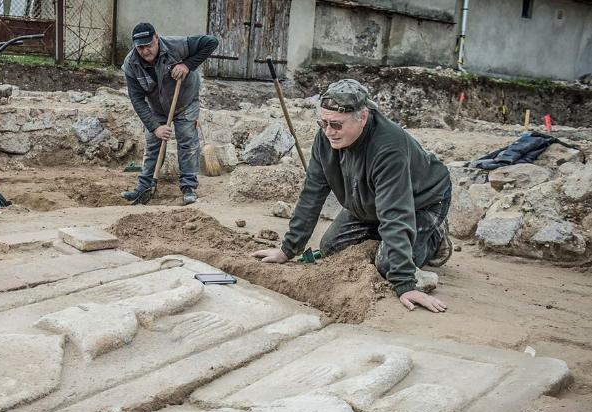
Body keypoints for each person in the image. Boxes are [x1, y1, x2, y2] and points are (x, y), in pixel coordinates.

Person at [251, 79, 453, 313]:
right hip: (370, 201)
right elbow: (312, 192)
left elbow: (395, 213)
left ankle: (435, 238)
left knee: (387, 264)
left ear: (363, 117)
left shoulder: (389, 147)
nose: (328, 132)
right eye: (323, 123)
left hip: (421, 202)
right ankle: (387, 236)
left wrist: (405, 283)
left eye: (336, 125)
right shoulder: (325, 138)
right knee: (331, 247)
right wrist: (288, 249)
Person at [120, 22, 218, 205]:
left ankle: (188, 187)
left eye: (148, 45)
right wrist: (155, 127)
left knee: (187, 142)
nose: (145, 51)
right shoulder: (131, 64)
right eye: (140, 47)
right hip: (157, 108)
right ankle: (144, 188)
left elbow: (211, 42)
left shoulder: (177, 45)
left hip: (185, 102)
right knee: (152, 145)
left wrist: (188, 65)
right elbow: (137, 100)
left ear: (156, 38)